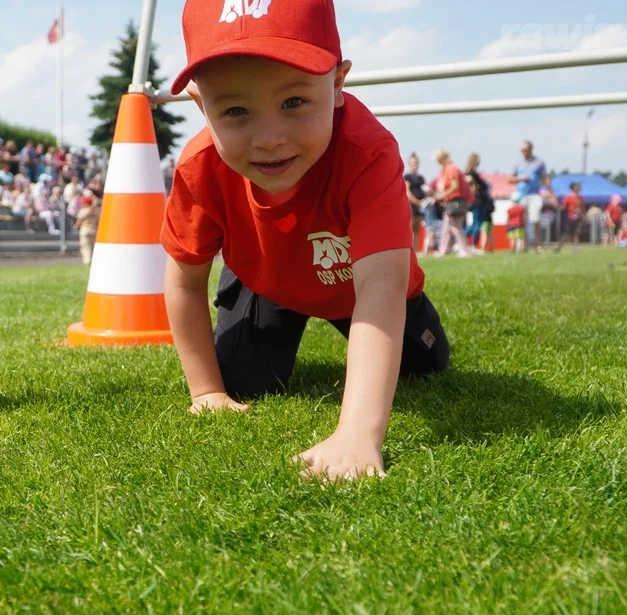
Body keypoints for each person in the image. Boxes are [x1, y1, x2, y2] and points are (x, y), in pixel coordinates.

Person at [162, 0, 449, 481]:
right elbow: (184, 282)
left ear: (337, 84)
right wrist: (206, 392)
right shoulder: (198, 167)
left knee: (426, 366)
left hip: (357, 285)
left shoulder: (369, 153)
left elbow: (379, 291)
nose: (270, 137)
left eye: (293, 102)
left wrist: (358, 433)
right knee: (243, 382)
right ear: (200, 106)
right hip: (266, 279)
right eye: (235, 110)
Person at [431, 148, 476, 257]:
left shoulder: (451, 169)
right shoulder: (445, 169)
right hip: (451, 202)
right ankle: (443, 250)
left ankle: (464, 249)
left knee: (455, 226)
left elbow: (455, 187)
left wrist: (442, 195)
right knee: (447, 227)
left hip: (457, 201)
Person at [510, 140, 551, 252]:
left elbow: (545, 178)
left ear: (531, 149)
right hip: (521, 196)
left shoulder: (539, 162)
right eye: (522, 150)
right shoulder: (517, 163)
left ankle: (538, 244)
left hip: (534, 195)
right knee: (522, 221)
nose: (523, 152)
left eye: (525, 150)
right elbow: (510, 179)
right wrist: (520, 178)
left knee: (535, 219)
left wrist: (551, 193)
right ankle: (525, 245)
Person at [464, 152, 492, 252]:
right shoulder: (472, 173)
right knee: (477, 224)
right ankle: (473, 244)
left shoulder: (468, 171)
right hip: (478, 201)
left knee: (475, 223)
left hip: (476, 201)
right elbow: (469, 181)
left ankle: (463, 237)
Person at [402, 152, 426, 252]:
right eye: (413, 163)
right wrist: (417, 202)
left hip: (420, 206)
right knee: (410, 229)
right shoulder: (407, 176)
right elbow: (407, 192)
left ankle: (415, 251)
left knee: (417, 230)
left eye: (416, 162)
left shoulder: (421, 178)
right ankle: (410, 251)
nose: (415, 164)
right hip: (411, 206)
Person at [74, 193, 100, 264]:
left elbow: (79, 221)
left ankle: (87, 260)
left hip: (84, 229)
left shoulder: (83, 210)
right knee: (93, 246)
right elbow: (98, 222)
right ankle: (94, 260)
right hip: (94, 229)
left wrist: (76, 226)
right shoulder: (96, 211)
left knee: (85, 246)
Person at [558, 182, 584, 253]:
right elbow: (563, 206)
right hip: (570, 218)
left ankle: (576, 249)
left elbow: (582, 207)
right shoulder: (568, 197)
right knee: (566, 234)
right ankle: (559, 247)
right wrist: (559, 207)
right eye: (577, 187)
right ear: (573, 188)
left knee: (576, 233)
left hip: (578, 218)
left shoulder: (580, 198)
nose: (579, 188)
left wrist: (582, 215)